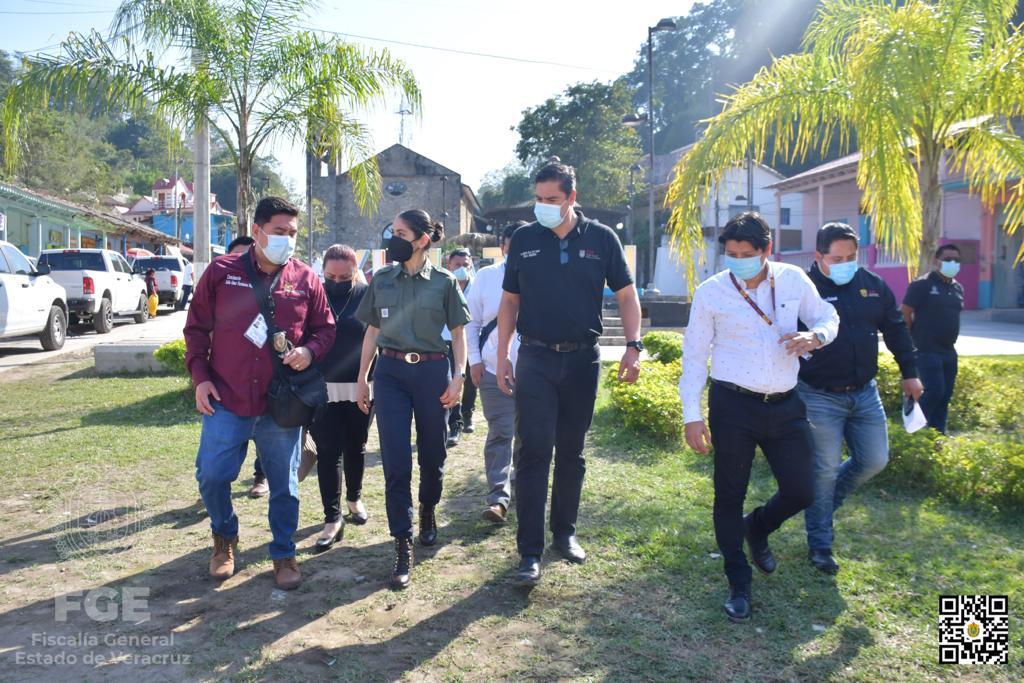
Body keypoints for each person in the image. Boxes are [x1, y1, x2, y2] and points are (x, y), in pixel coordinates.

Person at [679, 211, 839, 623]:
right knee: (729, 494)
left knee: (802, 490)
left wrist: (815, 336)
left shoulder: (792, 280)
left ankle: (758, 527)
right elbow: (694, 356)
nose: (738, 262)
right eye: (731, 255)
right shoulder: (712, 292)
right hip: (733, 405)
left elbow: (828, 316)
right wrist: (692, 415)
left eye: (746, 254)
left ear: (767, 249)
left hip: (785, 404)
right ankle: (739, 582)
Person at [496, 162, 642, 586]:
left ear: (571, 198)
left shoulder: (602, 238)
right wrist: (503, 355)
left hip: (582, 360)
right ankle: (529, 551)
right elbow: (509, 302)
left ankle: (565, 532)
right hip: (535, 358)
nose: (543, 206)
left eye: (552, 199)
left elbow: (627, 295)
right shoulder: (525, 239)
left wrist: (633, 345)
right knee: (533, 451)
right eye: (538, 199)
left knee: (572, 452)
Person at [184, 196, 335, 590]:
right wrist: (201, 378)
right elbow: (196, 330)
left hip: (280, 406)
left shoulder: (305, 279)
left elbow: (325, 329)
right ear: (257, 231)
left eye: (293, 233)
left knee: (284, 485)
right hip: (226, 398)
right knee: (212, 476)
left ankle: (283, 553)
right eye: (279, 231)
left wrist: (309, 351)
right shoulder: (222, 272)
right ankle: (224, 536)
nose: (288, 239)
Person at [797, 223, 923, 575]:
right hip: (819, 396)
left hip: (865, 393)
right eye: (837, 259)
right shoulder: (803, 289)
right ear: (819, 256)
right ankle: (820, 544)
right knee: (823, 470)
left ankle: (820, 508)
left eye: (851, 257)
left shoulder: (872, 285)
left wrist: (910, 372)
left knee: (874, 460)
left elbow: (896, 329)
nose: (845, 265)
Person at [354, 209, 470, 590]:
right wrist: (362, 378)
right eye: (393, 231)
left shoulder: (444, 282)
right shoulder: (382, 279)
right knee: (396, 459)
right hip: (390, 373)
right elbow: (372, 332)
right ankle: (402, 542)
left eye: (401, 233)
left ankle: (428, 507)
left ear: (422, 240)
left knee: (433, 453)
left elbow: (458, 334)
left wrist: (459, 376)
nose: (394, 239)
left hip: (432, 372)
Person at [309, 244, 372, 552]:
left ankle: (354, 498)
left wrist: (366, 379)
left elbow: (376, 338)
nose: (336, 282)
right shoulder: (314, 294)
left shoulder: (366, 295)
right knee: (328, 451)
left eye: (344, 277)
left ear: (355, 272)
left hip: (360, 384)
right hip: (322, 386)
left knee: (356, 446)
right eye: (330, 276)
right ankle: (332, 518)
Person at [466, 223, 525, 524]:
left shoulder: (545, 277)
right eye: (512, 247)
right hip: (491, 370)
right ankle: (498, 498)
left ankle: (525, 489)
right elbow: (471, 322)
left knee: (529, 436)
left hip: (536, 373)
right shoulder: (486, 277)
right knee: (501, 432)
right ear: (502, 247)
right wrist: (474, 361)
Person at [223, 235, 272, 498]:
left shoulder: (271, 286)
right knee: (226, 438)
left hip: (265, 378)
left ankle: (261, 477)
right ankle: (218, 483)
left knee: (264, 433)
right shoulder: (220, 287)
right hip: (229, 381)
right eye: (236, 256)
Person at [901, 244, 965, 434]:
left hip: (949, 351)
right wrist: (910, 340)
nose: (952, 263)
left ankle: (937, 435)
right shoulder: (922, 284)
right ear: (937, 261)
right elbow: (905, 312)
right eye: (948, 259)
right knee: (935, 390)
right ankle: (913, 429)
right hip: (927, 349)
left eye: (956, 260)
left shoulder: (957, 288)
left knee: (945, 394)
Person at [443, 248, 477, 447]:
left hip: (472, 341)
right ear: (449, 265)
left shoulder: (477, 285)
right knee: (452, 380)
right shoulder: (443, 285)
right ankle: (455, 423)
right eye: (457, 265)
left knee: (471, 380)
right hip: (449, 340)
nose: (462, 268)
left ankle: (468, 413)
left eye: (465, 265)